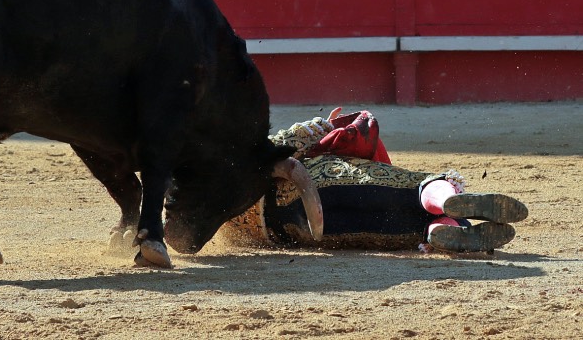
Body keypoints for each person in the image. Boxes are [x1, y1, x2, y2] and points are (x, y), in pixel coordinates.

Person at [225, 109, 529, 254]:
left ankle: (446, 230)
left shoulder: (210, 212)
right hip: (320, 181)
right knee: (415, 189)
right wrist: (324, 126)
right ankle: (446, 202)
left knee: (402, 230)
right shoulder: (230, 159)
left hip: (294, 230)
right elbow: (287, 142)